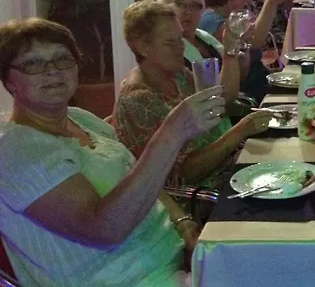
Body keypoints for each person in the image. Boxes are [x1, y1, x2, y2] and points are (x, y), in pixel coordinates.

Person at [0, 18, 226, 286]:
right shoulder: (13, 149)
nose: (52, 71)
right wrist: (171, 133)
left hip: (179, 259)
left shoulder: (81, 119)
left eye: (62, 59)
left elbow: (139, 179)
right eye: (33, 63)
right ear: (8, 80)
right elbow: (103, 229)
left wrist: (183, 223)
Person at [113, 0, 271, 189]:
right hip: (205, 194)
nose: (180, 47)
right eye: (170, 42)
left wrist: (230, 51)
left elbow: (220, 101)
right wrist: (239, 132)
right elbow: (182, 174)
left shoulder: (177, 74)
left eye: (180, 38)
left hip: (229, 167)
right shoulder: (139, 100)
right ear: (142, 47)